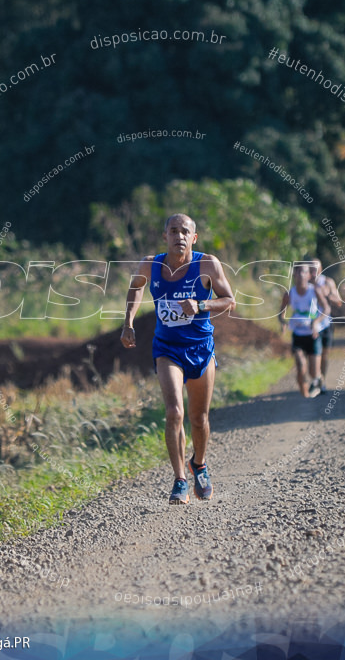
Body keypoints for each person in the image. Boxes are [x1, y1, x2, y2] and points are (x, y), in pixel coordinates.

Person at [121, 214, 236, 505]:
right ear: (165, 236)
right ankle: (179, 479)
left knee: (199, 419)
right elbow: (135, 287)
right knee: (174, 412)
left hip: (200, 348)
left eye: (185, 231)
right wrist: (129, 322)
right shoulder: (151, 263)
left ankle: (198, 464)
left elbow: (229, 300)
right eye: (173, 231)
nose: (179, 236)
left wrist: (201, 304)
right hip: (167, 348)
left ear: (193, 238)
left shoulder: (207, 263)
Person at [278, 263, 330, 397]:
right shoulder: (290, 294)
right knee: (301, 367)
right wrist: (283, 322)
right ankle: (305, 395)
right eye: (298, 272)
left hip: (313, 335)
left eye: (304, 272)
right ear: (294, 275)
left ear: (309, 275)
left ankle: (318, 380)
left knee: (313, 372)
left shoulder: (315, 290)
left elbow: (326, 308)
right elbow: (281, 312)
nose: (301, 275)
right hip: (298, 335)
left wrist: (316, 322)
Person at [310, 258, 344, 379]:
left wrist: (328, 294)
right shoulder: (305, 283)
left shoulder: (327, 282)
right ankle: (315, 378)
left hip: (325, 323)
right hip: (310, 325)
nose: (313, 273)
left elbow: (339, 302)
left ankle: (322, 380)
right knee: (313, 354)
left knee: (324, 354)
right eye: (311, 270)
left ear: (320, 269)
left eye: (316, 269)